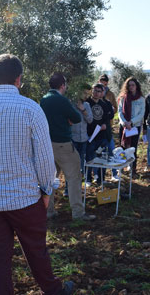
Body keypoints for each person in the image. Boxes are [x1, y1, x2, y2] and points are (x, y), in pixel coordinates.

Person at [0, 54, 74, 294]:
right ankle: (53, 290)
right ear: (19, 79)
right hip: (25, 198)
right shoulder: (31, 109)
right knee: (36, 251)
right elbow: (43, 158)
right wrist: (45, 190)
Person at [40, 73, 95, 221]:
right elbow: (76, 118)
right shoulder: (62, 100)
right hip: (63, 144)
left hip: (48, 144)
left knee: (51, 179)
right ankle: (78, 213)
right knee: (74, 177)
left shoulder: (43, 100)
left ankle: (48, 211)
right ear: (62, 85)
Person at [85, 83, 114, 185]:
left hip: (101, 136)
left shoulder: (104, 104)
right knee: (89, 158)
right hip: (89, 135)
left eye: (99, 91)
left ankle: (101, 179)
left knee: (102, 158)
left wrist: (105, 126)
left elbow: (107, 118)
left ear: (102, 93)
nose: (96, 93)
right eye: (94, 90)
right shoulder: (86, 103)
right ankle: (88, 179)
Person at [117, 77, 146, 173]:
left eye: (133, 85)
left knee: (133, 147)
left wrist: (131, 122)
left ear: (137, 86)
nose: (131, 87)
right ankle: (121, 166)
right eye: (129, 85)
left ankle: (132, 167)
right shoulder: (122, 98)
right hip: (124, 126)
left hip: (135, 126)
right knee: (122, 147)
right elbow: (120, 111)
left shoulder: (141, 99)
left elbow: (141, 114)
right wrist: (124, 122)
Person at [99, 74, 120, 181]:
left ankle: (114, 173)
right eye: (102, 83)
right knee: (98, 152)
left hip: (108, 126)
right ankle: (98, 176)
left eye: (105, 84)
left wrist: (110, 110)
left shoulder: (110, 94)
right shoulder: (94, 94)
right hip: (96, 127)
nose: (104, 86)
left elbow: (115, 108)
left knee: (111, 149)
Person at [71, 86, 94, 176]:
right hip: (73, 138)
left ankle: (79, 186)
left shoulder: (87, 105)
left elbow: (90, 120)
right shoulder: (71, 104)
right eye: (84, 93)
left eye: (88, 94)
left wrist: (83, 110)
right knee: (72, 165)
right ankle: (68, 189)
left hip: (83, 139)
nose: (86, 96)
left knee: (81, 164)